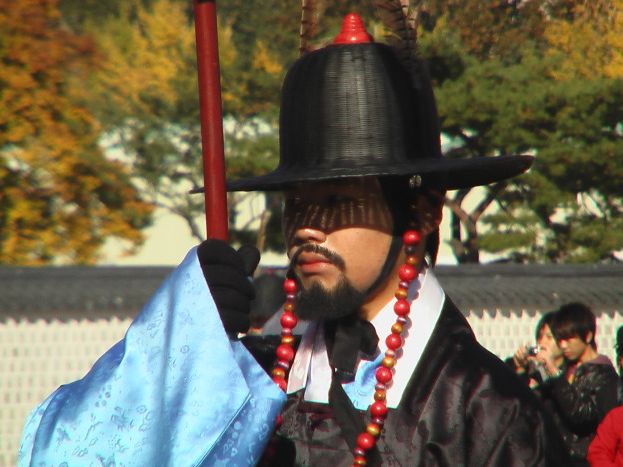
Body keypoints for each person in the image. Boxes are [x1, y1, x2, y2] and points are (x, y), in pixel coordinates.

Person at [18, 13, 569, 466]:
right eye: (297, 203)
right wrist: (185, 333)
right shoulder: (248, 377)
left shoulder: (487, 409)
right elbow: (66, 453)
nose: (306, 226)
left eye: (338, 200)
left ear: (422, 212)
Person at [534, 302, 620, 465]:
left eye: (569, 339)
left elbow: (581, 416)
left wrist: (555, 375)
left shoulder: (605, 376)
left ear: (587, 336)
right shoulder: (566, 370)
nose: (563, 345)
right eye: (560, 339)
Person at [510, 311, 565, 388]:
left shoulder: (572, 370)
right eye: (540, 337)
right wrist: (520, 367)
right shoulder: (534, 371)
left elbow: (567, 392)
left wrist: (552, 369)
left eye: (549, 337)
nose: (542, 342)